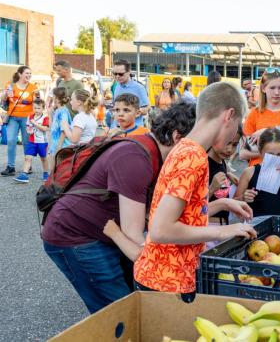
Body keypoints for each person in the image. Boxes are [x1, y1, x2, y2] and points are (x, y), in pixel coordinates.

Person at [41, 104, 200, 313]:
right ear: (178, 137)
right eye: (197, 146)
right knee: (121, 312)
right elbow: (133, 232)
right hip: (75, 235)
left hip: (101, 232)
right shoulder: (135, 157)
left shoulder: (151, 152)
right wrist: (163, 262)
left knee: (132, 303)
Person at [133, 82, 257, 298]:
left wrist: (224, 203)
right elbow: (161, 230)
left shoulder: (185, 148)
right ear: (229, 115)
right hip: (168, 282)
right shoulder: (194, 156)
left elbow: (182, 215)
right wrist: (221, 231)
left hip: (164, 278)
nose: (233, 139)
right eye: (237, 124)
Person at [241, 69, 280, 166]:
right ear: (263, 88)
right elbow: (243, 153)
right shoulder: (254, 114)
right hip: (257, 173)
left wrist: (265, 132)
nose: (277, 92)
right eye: (272, 88)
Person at [235, 128, 280, 217]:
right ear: (260, 152)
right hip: (253, 225)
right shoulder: (249, 172)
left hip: (277, 226)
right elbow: (234, 202)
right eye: (270, 154)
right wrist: (243, 197)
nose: (275, 158)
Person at [1, 66, 39, 176]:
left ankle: (28, 165)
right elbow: (3, 99)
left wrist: (37, 97)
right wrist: (5, 94)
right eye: (26, 73)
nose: (29, 75)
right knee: (11, 140)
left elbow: (38, 103)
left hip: (27, 118)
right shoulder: (10, 84)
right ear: (20, 74)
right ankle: (10, 167)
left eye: (30, 74)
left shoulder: (33, 87)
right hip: (12, 117)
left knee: (26, 142)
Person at [208, 126, 242, 224]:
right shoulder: (203, 164)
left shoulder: (222, 162)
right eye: (226, 143)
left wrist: (228, 173)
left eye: (235, 145)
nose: (229, 149)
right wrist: (211, 189)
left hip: (222, 225)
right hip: (207, 226)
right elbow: (193, 207)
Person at [13, 99, 49, 183]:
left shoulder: (45, 117)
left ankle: (46, 174)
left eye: (39, 108)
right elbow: (28, 126)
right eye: (35, 108)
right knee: (27, 157)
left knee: (43, 158)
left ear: (43, 108)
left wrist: (35, 123)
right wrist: (29, 130)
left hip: (42, 142)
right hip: (32, 141)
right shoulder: (30, 116)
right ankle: (24, 175)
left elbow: (45, 129)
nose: (36, 110)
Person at [112, 59, 150, 127]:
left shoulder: (139, 88)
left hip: (134, 129)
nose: (117, 76)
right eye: (115, 74)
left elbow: (146, 109)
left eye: (121, 74)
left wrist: (130, 112)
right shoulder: (116, 86)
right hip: (117, 128)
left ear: (129, 72)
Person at [48, 87, 73, 159]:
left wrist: (59, 147)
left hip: (62, 145)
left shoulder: (63, 112)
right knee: (53, 167)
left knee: (57, 167)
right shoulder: (57, 110)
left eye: (53, 96)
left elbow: (64, 131)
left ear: (56, 98)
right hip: (55, 143)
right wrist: (50, 115)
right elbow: (51, 127)